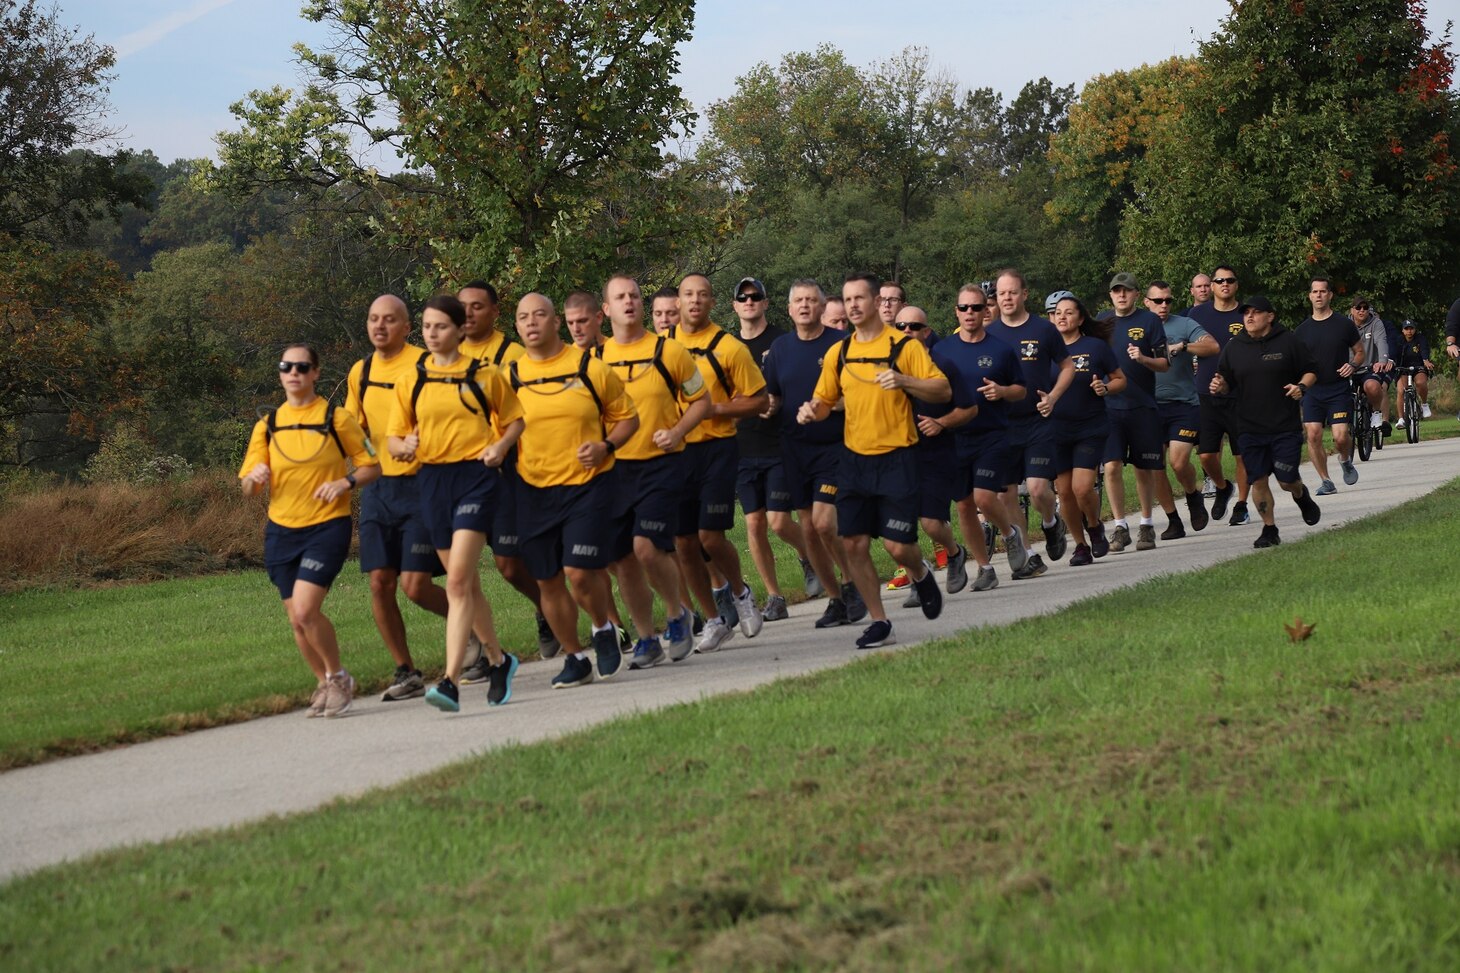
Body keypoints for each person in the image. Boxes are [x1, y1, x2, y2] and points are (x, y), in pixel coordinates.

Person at [797, 272, 950, 649]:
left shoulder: (904, 347)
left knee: (898, 546)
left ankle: (919, 572)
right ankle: (880, 621)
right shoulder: (840, 352)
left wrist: (904, 382)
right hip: (853, 460)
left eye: (859, 298)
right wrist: (809, 410)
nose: (852, 305)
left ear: (875, 301)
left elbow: (942, 389)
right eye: (847, 299)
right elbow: (825, 403)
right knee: (853, 544)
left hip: (898, 457)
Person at [386, 296, 524, 713]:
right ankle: (499, 660)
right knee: (468, 586)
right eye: (427, 326)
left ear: (461, 330)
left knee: (458, 580)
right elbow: (393, 438)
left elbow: (516, 419)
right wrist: (404, 445)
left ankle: (449, 682)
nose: (431, 333)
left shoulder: (486, 374)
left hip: (476, 479)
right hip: (432, 481)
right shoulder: (412, 379)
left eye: (441, 326)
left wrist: (500, 447)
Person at [240, 343, 382, 718]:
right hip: (281, 530)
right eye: (287, 366)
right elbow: (247, 485)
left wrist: (345, 484)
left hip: (326, 526)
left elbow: (372, 465)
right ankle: (323, 682)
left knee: (305, 611)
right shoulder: (267, 426)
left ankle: (338, 677)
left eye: (302, 367)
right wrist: (255, 478)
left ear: (315, 373)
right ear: (280, 373)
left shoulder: (336, 418)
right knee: (296, 619)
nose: (294, 373)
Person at [507, 293, 640, 688]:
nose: (531, 323)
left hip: (587, 485)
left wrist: (605, 446)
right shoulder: (509, 376)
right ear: (516, 326)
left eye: (540, 315)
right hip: (533, 489)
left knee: (579, 572)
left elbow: (627, 419)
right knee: (547, 579)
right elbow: (495, 427)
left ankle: (602, 627)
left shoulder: (588, 368)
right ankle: (575, 657)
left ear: (556, 322)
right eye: (523, 317)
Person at [597, 274, 711, 668]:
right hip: (614, 470)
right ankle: (646, 637)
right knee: (623, 559)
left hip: (662, 464)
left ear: (641, 305)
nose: (629, 302)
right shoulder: (595, 360)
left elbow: (702, 400)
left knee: (647, 547)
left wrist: (678, 430)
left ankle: (678, 613)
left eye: (634, 295)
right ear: (606, 310)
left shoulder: (670, 351)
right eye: (620, 297)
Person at [347, 295, 455, 702]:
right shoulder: (362, 371)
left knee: (415, 585)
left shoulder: (423, 364)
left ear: (406, 327)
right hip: (378, 489)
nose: (379, 326)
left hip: (422, 485)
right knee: (380, 582)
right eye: (373, 319)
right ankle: (406, 671)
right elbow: (354, 430)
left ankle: (473, 630)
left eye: (389, 320)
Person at [457, 281, 560, 667]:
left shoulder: (513, 354)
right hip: (458, 475)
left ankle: (546, 608)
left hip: (507, 469)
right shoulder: (446, 356)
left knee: (510, 564)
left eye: (477, 307)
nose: (468, 314)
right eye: (462, 307)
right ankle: (482, 650)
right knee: (461, 569)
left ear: (496, 312)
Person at [671, 273, 768, 653]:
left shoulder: (729, 348)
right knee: (682, 543)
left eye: (703, 295)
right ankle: (713, 619)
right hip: (677, 451)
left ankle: (742, 593)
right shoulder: (663, 346)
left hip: (717, 448)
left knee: (709, 536)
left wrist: (716, 408)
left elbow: (758, 401)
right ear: (677, 302)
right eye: (687, 295)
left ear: (713, 303)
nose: (694, 301)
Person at [763, 279, 868, 628]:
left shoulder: (840, 344)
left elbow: (857, 395)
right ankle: (835, 598)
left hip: (834, 447)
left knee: (825, 522)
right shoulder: (779, 349)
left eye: (811, 300)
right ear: (790, 309)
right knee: (808, 530)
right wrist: (767, 407)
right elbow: (775, 395)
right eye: (798, 301)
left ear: (823, 308)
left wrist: (826, 406)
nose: (805, 306)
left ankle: (853, 584)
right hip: (794, 449)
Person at [932, 284, 1027, 590]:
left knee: (985, 497)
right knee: (963, 506)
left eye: (976, 308)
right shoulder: (941, 350)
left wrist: (1001, 391)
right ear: (956, 312)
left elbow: (1021, 389)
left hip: (991, 434)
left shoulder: (1000, 349)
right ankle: (985, 568)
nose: (970, 313)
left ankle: (1010, 535)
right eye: (964, 308)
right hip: (954, 437)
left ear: (987, 311)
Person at [1210, 296, 1322, 547]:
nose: (1249, 317)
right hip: (1249, 428)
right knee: (1258, 479)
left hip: (1284, 426)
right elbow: (1225, 380)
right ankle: (1269, 529)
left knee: (1286, 479)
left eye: (1255, 312)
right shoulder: (1234, 347)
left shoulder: (1288, 341)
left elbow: (1311, 369)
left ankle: (1300, 494)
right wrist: (1219, 385)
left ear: (1270, 316)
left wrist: (1302, 386)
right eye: (1245, 313)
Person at [731, 275, 811, 622]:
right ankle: (775, 597)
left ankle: (811, 558)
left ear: (765, 303)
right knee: (753, 524)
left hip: (779, 442)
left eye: (755, 296)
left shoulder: (782, 341)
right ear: (735, 306)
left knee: (779, 522)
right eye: (743, 297)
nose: (749, 302)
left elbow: (798, 384)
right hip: (742, 446)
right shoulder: (728, 346)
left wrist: (777, 402)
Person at [986, 268, 1076, 573]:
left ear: (1024, 294)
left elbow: (1067, 367)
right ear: (996, 299)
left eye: (1012, 292)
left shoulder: (1043, 330)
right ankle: (1026, 555)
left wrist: (1054, 396)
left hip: (1037, 421)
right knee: (1004, 493)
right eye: (1001, 293)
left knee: (1038, 489)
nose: (1007, 298)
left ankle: (1052, 522)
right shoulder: (990, 335)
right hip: (1003, 426)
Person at [1041, 295, 1126, 564]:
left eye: (1068, 313)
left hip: (1090, 426)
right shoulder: (1044, 351)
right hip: (1056, 429)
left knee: (1081, 488)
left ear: (1080, 319)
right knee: (1063, 492)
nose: (1062, 317)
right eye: (1057, 313)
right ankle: (1080, 545)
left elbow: (1120, 380)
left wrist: (1105, 388)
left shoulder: (1095, 347)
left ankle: (1094, 525)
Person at [894, 304, 965, 606]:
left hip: (936, 453)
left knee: (931, 523)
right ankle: (917, 580)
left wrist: (942, 423)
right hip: (896, 455)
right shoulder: (883, 368)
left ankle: (954, 553)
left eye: (913, 327)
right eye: (900, 328)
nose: (907, 332)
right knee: (899, 527)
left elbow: (969, 408)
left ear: (926, 332)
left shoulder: (944, 365)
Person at [1097, 272, 1169, 553]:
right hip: (1109, 406)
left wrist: (1143, 358)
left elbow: (1164, 364)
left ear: (1137, 294)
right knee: (1112, 466)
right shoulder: (1102, 320)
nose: (1121, 295)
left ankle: (1147, 524)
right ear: (1111, 295)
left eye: (1126, 291)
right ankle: (1119, 526)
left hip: (1141, 405)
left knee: (1143, 468)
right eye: (1117, 291)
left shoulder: (1149, 320)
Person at [1146, 280, 1217, 538]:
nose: (1163, 305)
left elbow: (1212, 346)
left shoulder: (1184, 324)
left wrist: (1184, 346)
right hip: (1149, 408)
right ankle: (1173, 520)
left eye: (1168, 300)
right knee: (1155, 467)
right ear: (1146, 303)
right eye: (1157, 301)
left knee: (1178, 462)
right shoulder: (1138, 327)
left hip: (1183, 405)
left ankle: (1192, 495)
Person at [1188, 265, 1252, 526]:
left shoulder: (1246, 313)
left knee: (1242, 454)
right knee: (1206, 454)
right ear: (1211, 286)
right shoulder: (1197, 313)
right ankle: (1223, 487)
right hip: (1205, 392)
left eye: (1230, 280)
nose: (1225, 284)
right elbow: (1187, 346)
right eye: (1219, 280)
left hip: (1240, 395)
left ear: (1236, 285)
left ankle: (1241, 505)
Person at [1295, 276, 1363, 494]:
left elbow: (1360, 352)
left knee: (1341, 437)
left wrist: (1352, 365)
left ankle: (1345, 459)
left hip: (1338, 389)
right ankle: (1326, 481)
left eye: (1323, 291)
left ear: (1330, 295)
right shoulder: (1301, 331)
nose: (1318, 295)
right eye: (1315, 292)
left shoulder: (1344, 324)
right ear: (1309, 296)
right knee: (1313, 434)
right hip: (1313, 391)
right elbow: (1295, 362)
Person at [1348, 295, 1391, 432]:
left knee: (1372, 386)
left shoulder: (1376, 323)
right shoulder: (1345, 325)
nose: (1362, 311)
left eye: (1365, 308)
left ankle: (1377, 412)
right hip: (1349, 368)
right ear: (1352, 310)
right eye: (1358, 308)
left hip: (1370, 368)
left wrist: (1382, 361)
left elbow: (1381, 342)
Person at [1394, 320, 1434, 427]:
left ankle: (1424, 404)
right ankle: (1401, 419)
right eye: (1406, 329)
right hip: (1403, 368)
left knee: (1421, 383)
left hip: (1418, 366)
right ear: (1403, 330)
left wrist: (1426, 360)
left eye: (1411, 328)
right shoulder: (1399, 340)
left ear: (1415, 330)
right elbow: (1394, 353)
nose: (1409, 331)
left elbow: (1424, 350)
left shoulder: (1420, 338)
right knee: (1401, 391)